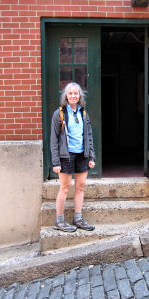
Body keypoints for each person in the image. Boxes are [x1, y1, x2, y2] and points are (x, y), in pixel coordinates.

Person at [50, 82, 96, 232]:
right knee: (64, 188)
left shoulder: (83, 112)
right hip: (66, 156)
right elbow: (54, 139)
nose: (73, 96)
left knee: (80, 187)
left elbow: (89, 136)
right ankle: (59, 221)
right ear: (66, 96)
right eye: (70, 93)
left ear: (79, 96)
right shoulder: (60, 113)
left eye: (76, 93)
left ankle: (78, 218)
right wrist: (56, 161)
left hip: (82, 154)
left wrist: (91, 156)